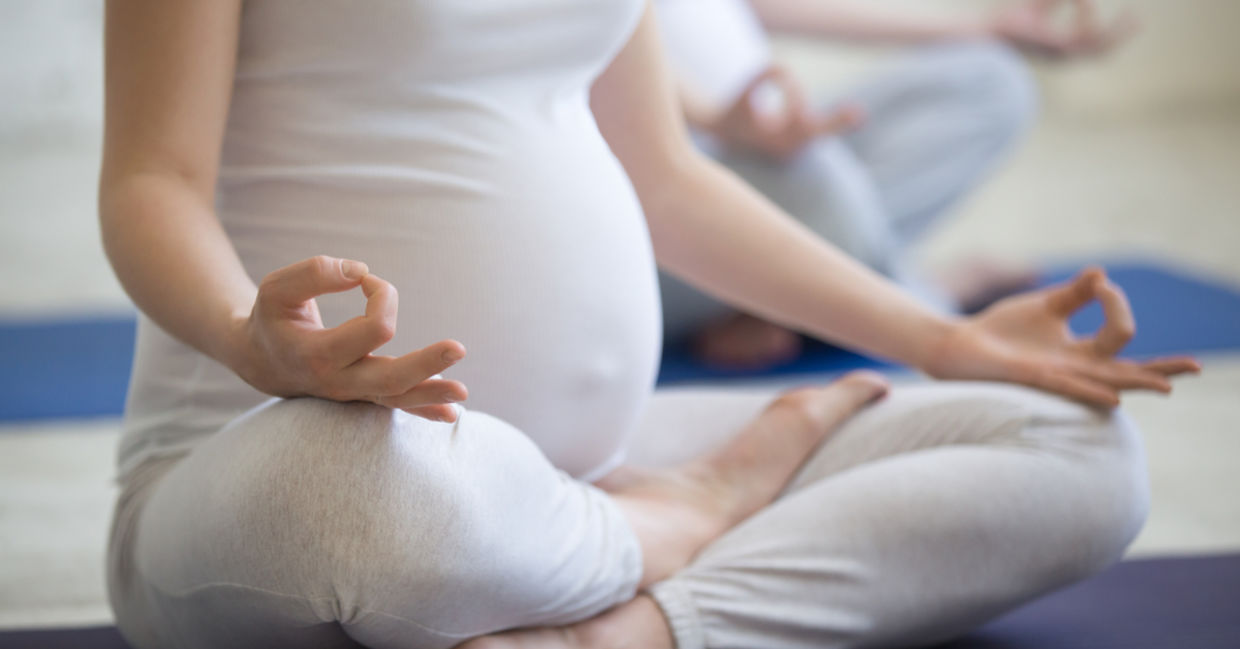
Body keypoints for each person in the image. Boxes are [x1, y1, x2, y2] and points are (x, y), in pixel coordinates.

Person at [99, 1, 1195, 648]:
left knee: (1077, 452)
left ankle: (634, 630)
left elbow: (667, 182)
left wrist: (940, 337)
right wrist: (252, 337)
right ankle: (670, 528)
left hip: (580, 471)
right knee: (356, 497)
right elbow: (153, 178)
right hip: (272, 474)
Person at [655, 0, 1139, 368]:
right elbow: (609, 56)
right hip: (669, 189)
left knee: (990, 78)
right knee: (817, 180)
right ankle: (928, 299)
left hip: (764, 145)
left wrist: (980, 31)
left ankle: (780, 303)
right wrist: (719, 123)